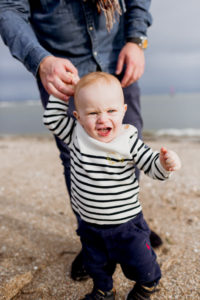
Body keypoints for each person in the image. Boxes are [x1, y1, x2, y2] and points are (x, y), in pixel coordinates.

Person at [0, 0, 162, 282]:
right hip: (63, 71)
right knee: (75, 156)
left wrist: (137, 39)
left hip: (118, 57)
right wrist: (40, 60)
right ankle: (93, 236)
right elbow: (8, 9)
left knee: (129, 147)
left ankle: (130, 226)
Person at [43, 72, 181, 300]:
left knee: (141, 264)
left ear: (124, 111)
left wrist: (165, 163)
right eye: (93, 112)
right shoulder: (76, 133)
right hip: (90, 225)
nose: (102, 119)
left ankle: (148, 285)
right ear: (77, 116)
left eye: (111, 111)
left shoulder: (128, 141)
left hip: (127, 225)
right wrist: (61, 95)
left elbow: (151, 166)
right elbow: (52, 120)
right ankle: (104, 290)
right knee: (96, 265)